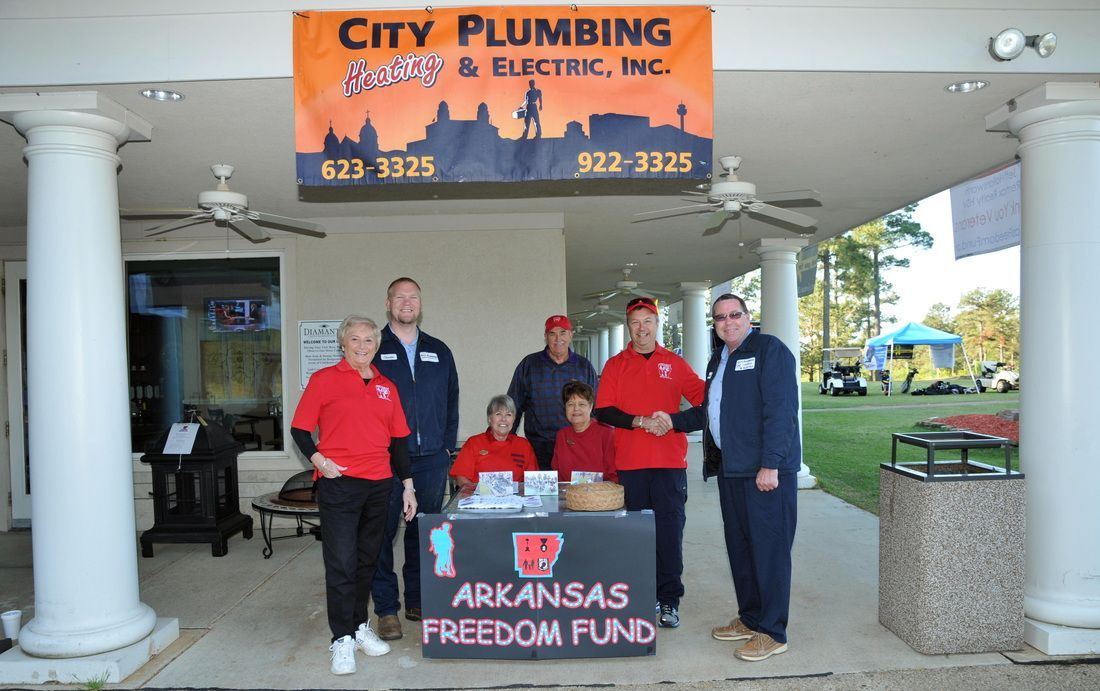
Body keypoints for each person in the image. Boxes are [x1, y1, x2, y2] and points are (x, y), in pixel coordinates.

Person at [658, 294, 800, 662]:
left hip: (764, 473)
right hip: (731, 470)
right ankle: (751, 618)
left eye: (734, 315)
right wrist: (673, 421)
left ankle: (773, 631)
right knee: (741, 548)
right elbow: (712, 410)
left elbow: (780, 411)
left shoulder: (770, 350)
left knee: (768, 550)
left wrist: (770, 464)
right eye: (720, 318)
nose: (728, 322)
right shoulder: (718, 359)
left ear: (748, 317)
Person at [290, 315, 417, 676]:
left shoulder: (386, 386)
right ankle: (341, 638)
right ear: (343, 343)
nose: (363, 347)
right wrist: (318, 460)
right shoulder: (324, 380)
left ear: (376, 346)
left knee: (367, 560)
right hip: (340, 484)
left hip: (379, 485)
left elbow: (399, 442)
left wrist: (407, 485)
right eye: (356, 340)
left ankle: (359, 626)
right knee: (342, 562)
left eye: (369, 341)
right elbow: (300, 429)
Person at [593, 296, 705, 629]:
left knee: (669, 533)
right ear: (629, 327)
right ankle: (643, 595)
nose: (642, 329)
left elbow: (707, 402)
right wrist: (641, 422)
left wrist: (674, 421)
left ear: (657, 324)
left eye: (648, 321)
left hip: (670, 463)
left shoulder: (675, 363)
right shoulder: (616, 364)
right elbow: (604, 410)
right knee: (637, 534)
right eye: (635, 322)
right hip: (631, 464)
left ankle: (669, 599)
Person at [370, 277, 459, 641]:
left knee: (425, 532)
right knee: (381, 534)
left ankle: (419, 599)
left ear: (420, 305)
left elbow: (452, 400)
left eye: (413, 297)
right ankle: (387, 609)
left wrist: (446, 448)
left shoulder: (439, 350)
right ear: (388, 303)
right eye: (399, 297)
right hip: (386, 461)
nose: (407, 302)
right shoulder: (373, 348)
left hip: (432, 459)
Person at [507, 314, 597, 470]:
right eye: (552, 334)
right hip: (539, 447)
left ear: (571, 335)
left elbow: (595, 407)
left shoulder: (584, 366)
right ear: (545, 337)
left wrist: (595, 440)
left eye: (563, 332)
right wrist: (507, 441)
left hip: (576, 444)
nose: (558, 338)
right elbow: (513, 405)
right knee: (542, 494)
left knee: (575, 493)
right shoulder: (529, 364)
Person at [450, 395, 538, 489]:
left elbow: (533, 480)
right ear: (489, 418)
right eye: (498, 414)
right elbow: (461, 478)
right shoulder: (474, 443)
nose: (503, 419)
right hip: (480, 500)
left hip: (516, 501)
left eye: (508, 414)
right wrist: (478, 494)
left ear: (514, 420)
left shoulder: (524, 445)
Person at [551, 381, 617, 483]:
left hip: (601, 495)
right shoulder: (562, 435)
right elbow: (557, 474)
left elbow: (615, 476)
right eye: (570, 404)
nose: (576, 409)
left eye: (582, 404)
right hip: (568, 495)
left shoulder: (607, 433)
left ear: (591, 407)